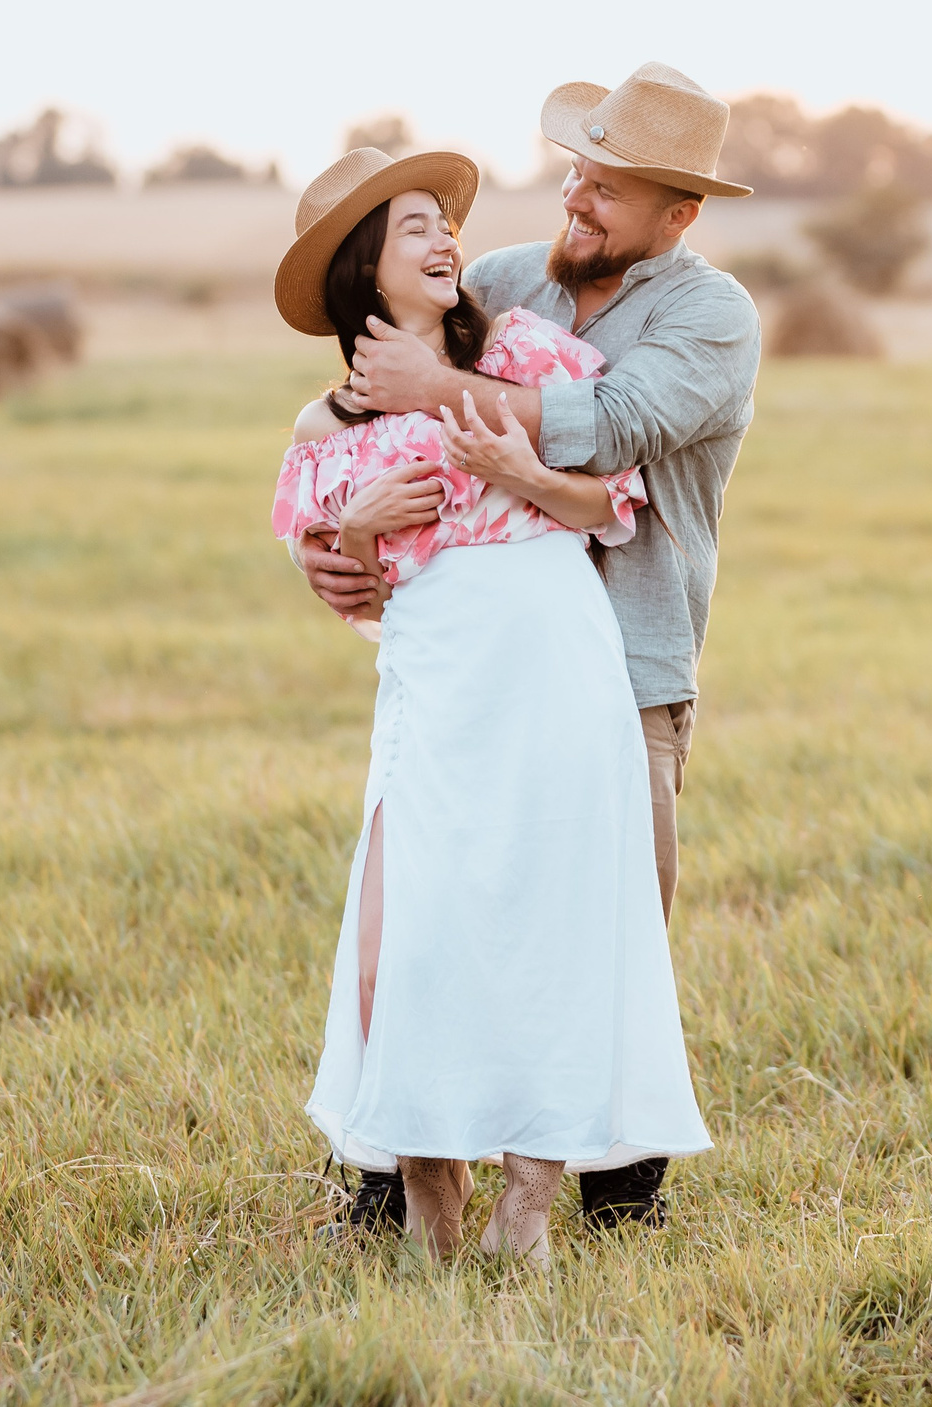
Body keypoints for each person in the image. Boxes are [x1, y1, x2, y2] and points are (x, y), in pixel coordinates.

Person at [295, 62, 762, 1232]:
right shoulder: (508, 285)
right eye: (579, 173)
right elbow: (366, 414)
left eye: (615, 189)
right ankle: (400, 1163)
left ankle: (612, 1182)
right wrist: (329, 541)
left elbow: (611, 431)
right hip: (472, 663)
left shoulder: (710, 315)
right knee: (443, 897)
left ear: (677, 214)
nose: (580, 200)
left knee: (605, 910)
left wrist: (436, 382)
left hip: (626, 656)